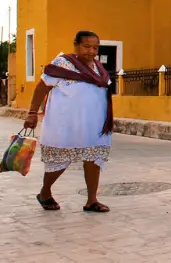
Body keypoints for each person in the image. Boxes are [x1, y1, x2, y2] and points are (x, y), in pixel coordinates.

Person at [23, 30, 114, 213]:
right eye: (87, 46)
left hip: (93, 124)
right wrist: (32, 112)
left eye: (95, 47)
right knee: (59, 162)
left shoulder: (98, 67)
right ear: (76, 45)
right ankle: (45, 192)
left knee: (93, 160)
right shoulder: (62, 63)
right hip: (64, 123)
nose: (91, 51)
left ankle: (91, 201)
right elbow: (41, 88)